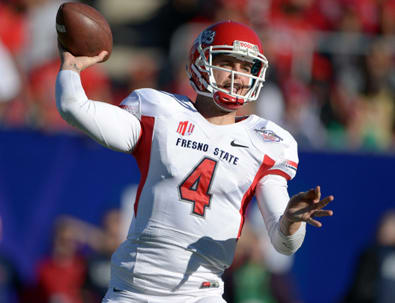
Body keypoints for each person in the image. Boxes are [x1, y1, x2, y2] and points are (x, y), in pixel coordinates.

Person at [55, 20, 335, 303]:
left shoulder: (267, 142)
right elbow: (73, 107)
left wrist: (290, 220)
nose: (237, 76)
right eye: (227, 63)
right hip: (133, 291)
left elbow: (284, 244)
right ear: (200, 63)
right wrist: (72, 66)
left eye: (246, 68)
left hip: (202, 294)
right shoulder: (160, 111)